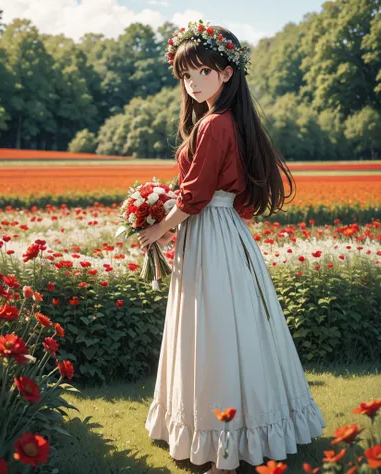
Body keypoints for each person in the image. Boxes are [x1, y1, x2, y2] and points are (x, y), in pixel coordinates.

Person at [137, 20, 326, 473]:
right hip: (220, 231)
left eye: (203, 71)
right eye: (186, 75)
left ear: (227, 72)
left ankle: (223, 432)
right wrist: (169, 224)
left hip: (211, 231)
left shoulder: (216, 124)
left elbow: (196, 194)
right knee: (231, 326)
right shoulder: (220, 120)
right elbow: (204, 193)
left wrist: (158, 226)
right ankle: (244, 425)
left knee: (215, 328)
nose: (194, 81)